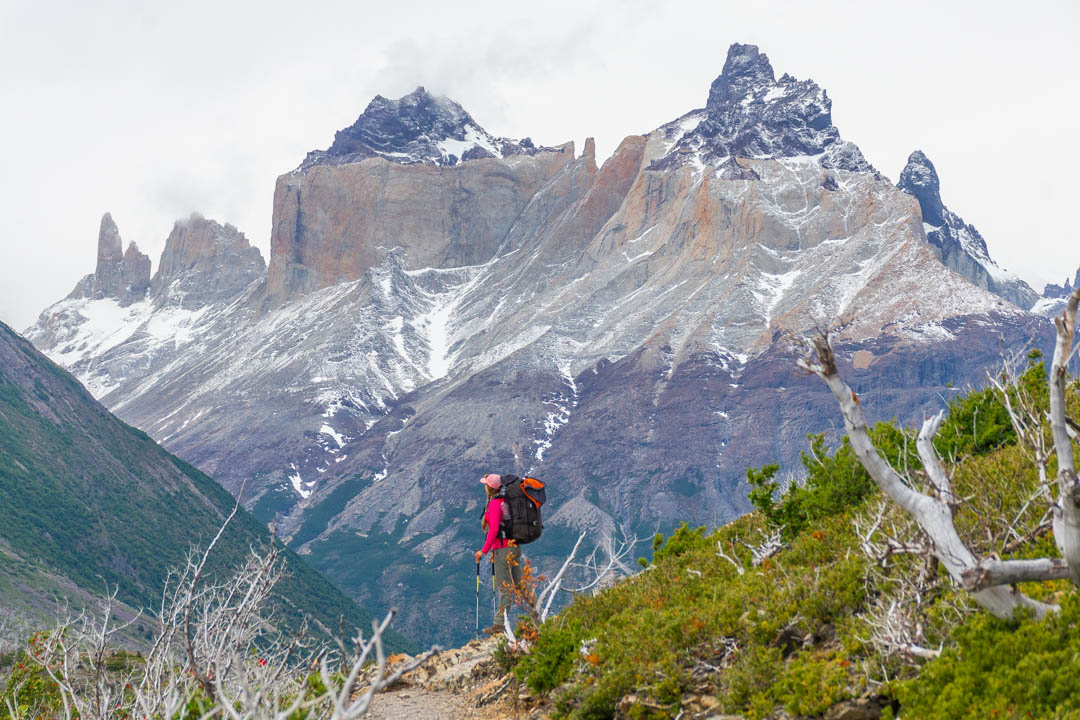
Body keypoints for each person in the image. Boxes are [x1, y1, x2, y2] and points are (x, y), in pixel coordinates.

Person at [474, 473, 524, 634]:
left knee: (504, 587)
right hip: (513, 547)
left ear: (490, 488)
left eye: (485, 484)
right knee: (522, 584)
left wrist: (484, 550)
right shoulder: (506, 502)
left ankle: (499, 624)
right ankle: (536, 612)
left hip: (503, 549)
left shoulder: (495, 504)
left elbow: (494, 529)